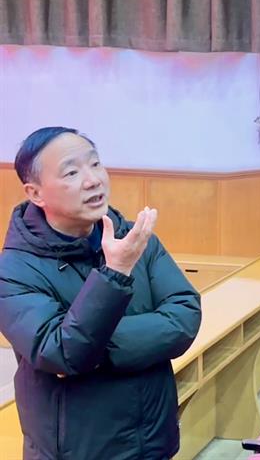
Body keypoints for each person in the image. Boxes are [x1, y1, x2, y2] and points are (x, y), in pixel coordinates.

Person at [0, 127, 202, 460]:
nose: (93, 180)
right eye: (71, 172)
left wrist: (99, 348)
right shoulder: (14, 269)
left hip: (152, 437)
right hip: (79, 449)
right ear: (35, 193)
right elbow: (62, 353)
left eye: (95, 164)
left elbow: (185, 316)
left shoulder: (133, 238)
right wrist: (115, 272)